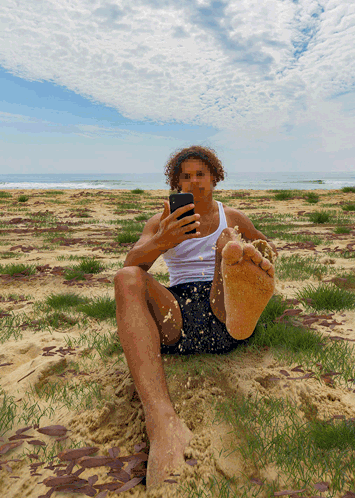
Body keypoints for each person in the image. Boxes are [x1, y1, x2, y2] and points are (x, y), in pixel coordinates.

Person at [114, 146, 277, 489]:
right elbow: (134, 263)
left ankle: (232, 272)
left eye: (200, 174)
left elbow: (269, 252)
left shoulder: (231, 217)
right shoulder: (162, 221)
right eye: (185, 176)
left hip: (221, 302)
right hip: (177, 315)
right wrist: (162, 240)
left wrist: (253, 254)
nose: (193, 181)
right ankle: (162, 424)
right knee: (126, 278)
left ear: (214, 178)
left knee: (229, 255)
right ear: (176, 183)